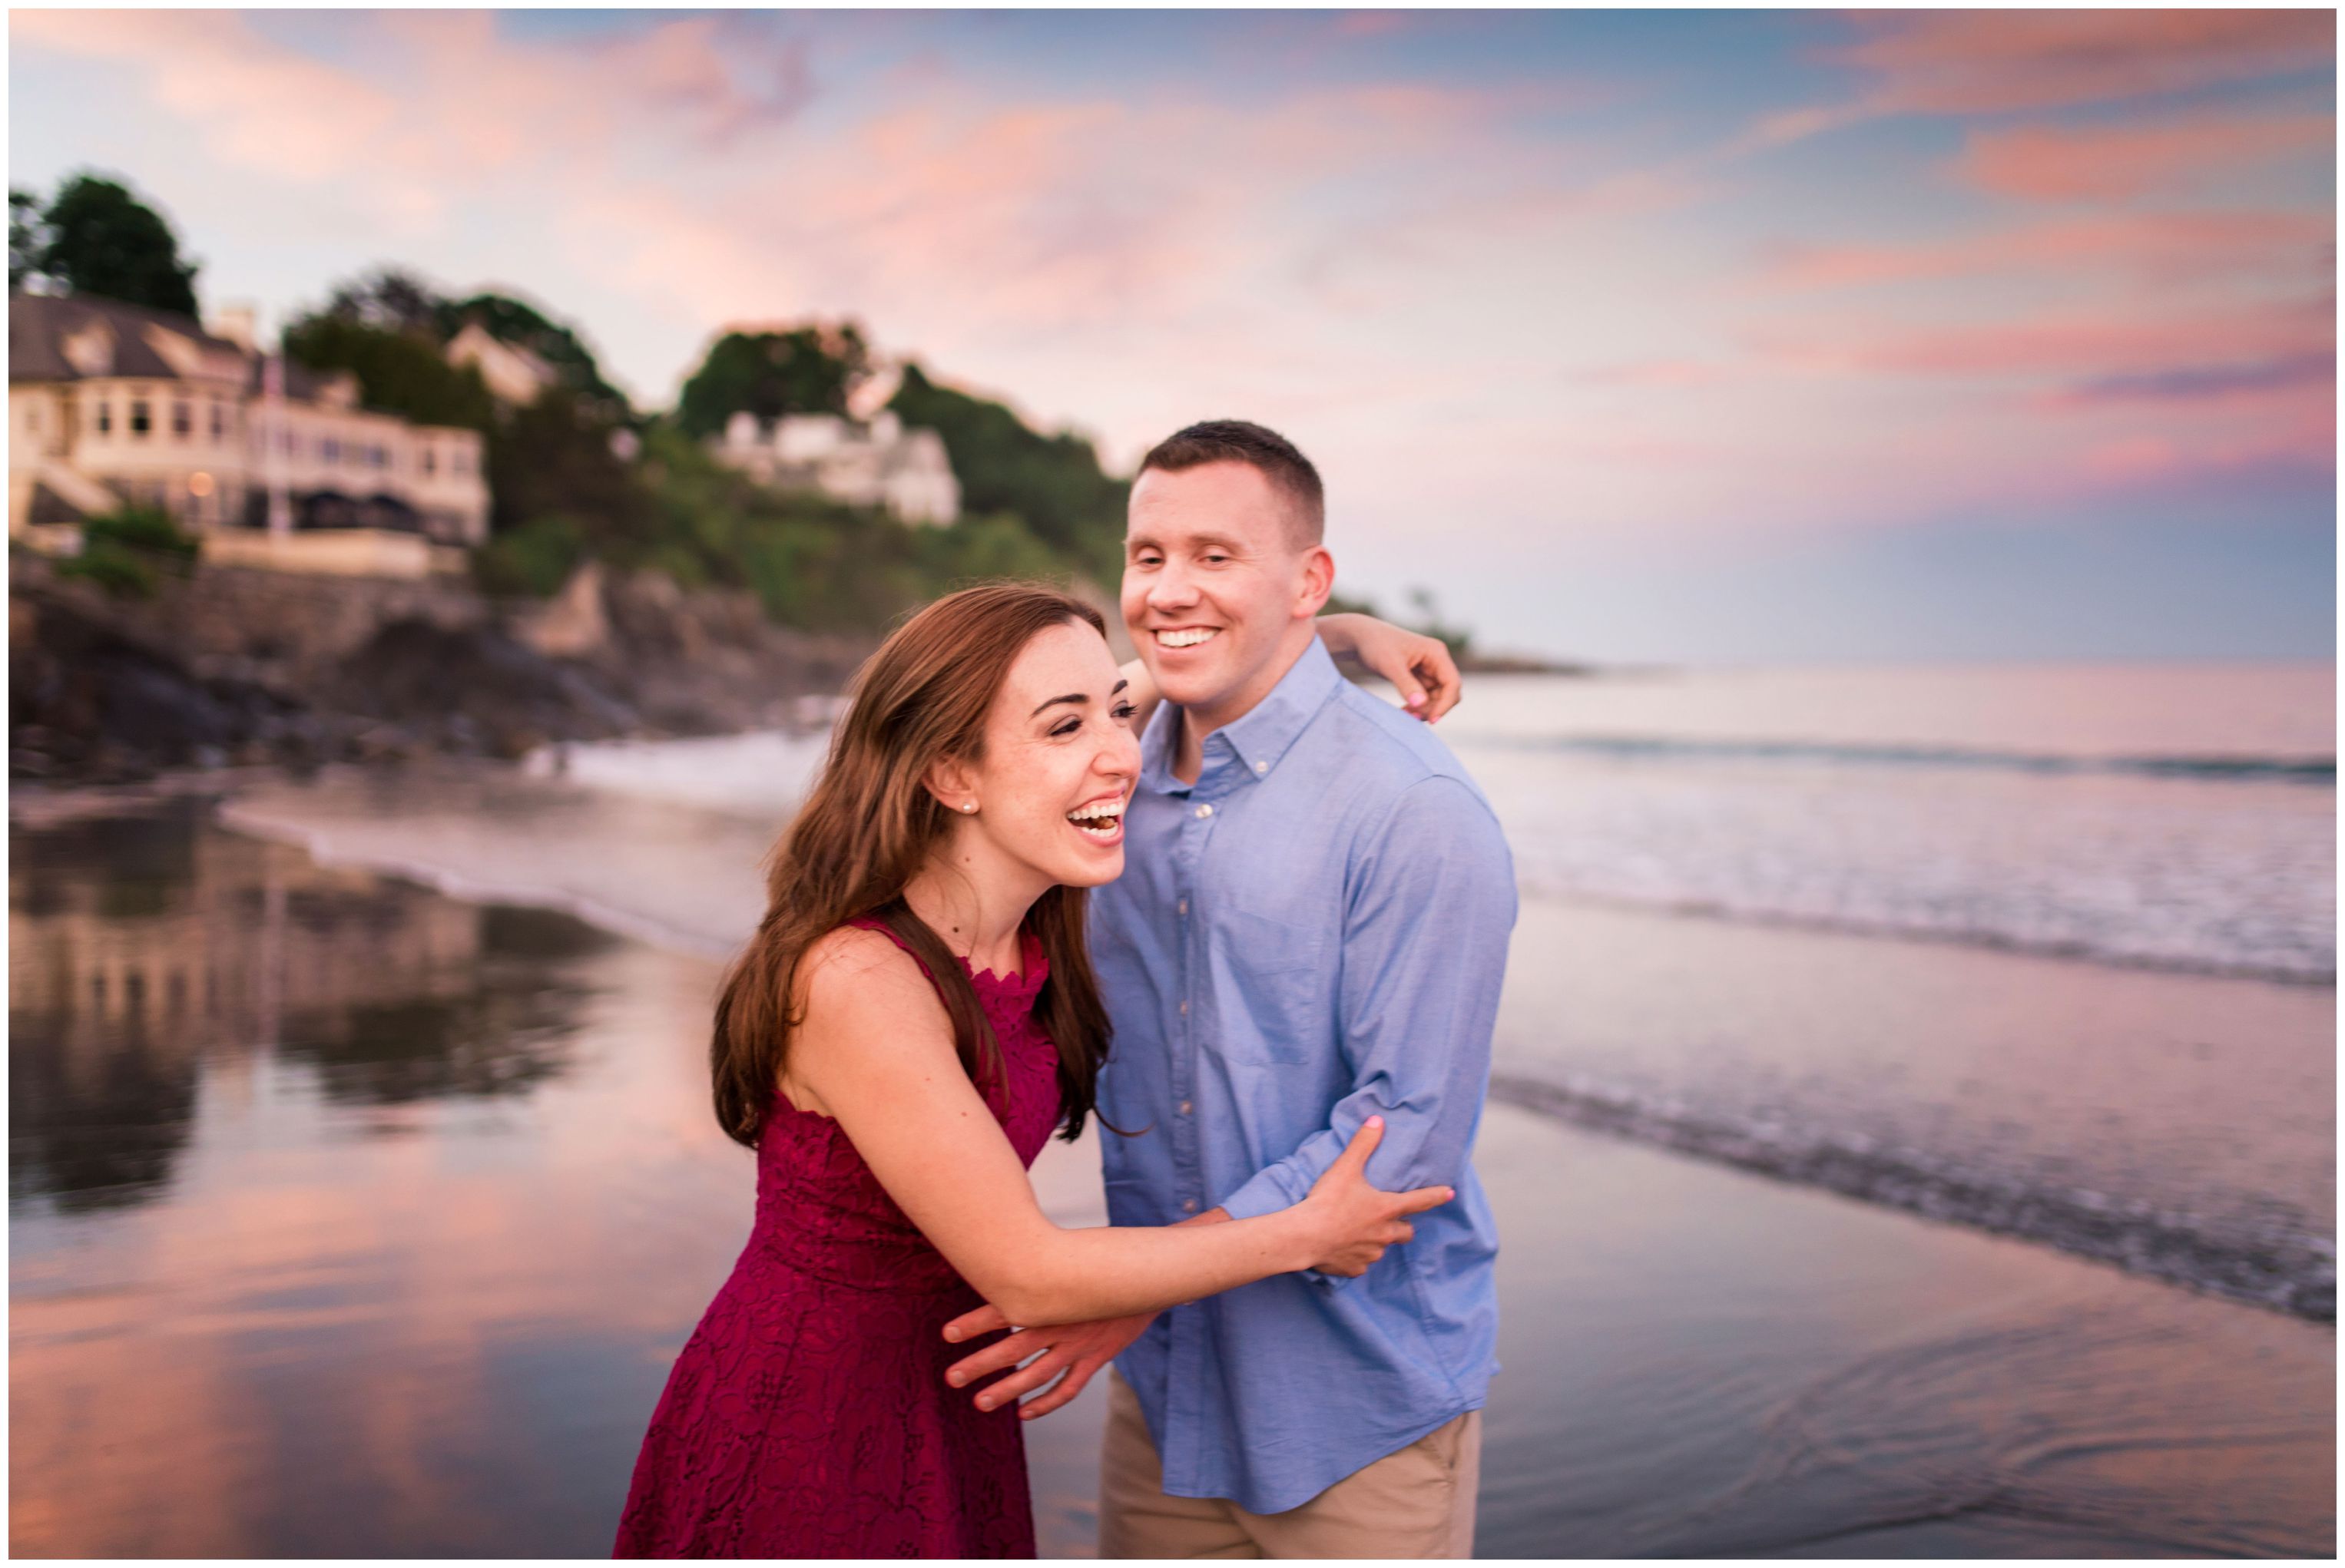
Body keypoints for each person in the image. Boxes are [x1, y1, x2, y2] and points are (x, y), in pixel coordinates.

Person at [611, 581, 1464, 1559]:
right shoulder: (859, 979)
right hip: (815, 1418)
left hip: (950, 1403)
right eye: (1067, 728)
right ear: (951, 775)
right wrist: (1304, 1231)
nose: (1118, 752)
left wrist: (1336, 635)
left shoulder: (1024, 920)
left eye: (1113, 713)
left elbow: (1128, 687)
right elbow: (1029, 1272)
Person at [940, 422, 1516, 1558]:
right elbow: (997, 740)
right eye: (1147, 554)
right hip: (1162, 1395)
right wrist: (1316, 631)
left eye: (1215, 553)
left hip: (1354, 1404)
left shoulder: (1414, 813)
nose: (1167, 587)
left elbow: (1402, 1139)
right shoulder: (1108, 766)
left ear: (1308, 579)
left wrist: (1129, 1291)